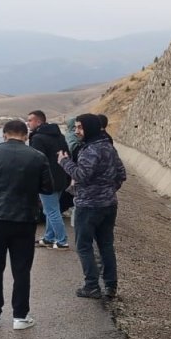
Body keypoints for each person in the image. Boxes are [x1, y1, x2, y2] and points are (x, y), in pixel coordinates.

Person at [0, 120, 52, 329]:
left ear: (4, 134)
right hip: (24, 219)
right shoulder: (38, 157)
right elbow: (47, 187)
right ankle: (20, 316)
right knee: (21, 269)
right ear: (26, 136)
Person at [58, 114, 127, 299]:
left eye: (79, 128)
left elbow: (81, 175)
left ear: (89, 128)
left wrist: (64, 162)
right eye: (76, 128)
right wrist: (108, 190)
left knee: (84, 246)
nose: (76, 131)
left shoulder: (90, 150)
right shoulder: (108, 147)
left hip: (88, 206)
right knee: (106, 245)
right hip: (109, 205)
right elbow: (121, 174)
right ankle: (111, 286)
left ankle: (92, 286)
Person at [25, 110, 71, 249]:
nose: (28, 123)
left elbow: (36, 161)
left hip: (47, 181)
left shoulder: (38, 138)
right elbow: (67, 155)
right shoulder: (59, 136)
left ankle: (62, 241)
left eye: (30, 120)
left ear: (39, 122)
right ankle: (49, 238)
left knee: (51, 211)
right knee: (52, 209)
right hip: (61, 178)